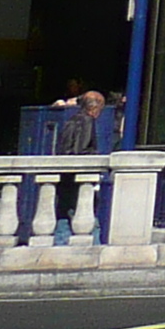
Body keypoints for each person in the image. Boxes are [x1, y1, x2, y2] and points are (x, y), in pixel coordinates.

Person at [49, 88, 107, 244]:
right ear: (95, 108)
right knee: (88, 216)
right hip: (78, 178)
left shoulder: (71, 120)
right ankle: (94, 247)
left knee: (63, 215)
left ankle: (60, 245)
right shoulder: (87, 121)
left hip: (65, 178)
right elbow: (80, 150)